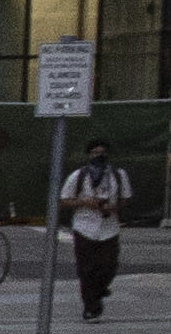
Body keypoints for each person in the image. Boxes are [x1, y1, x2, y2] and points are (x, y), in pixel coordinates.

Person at [56, 137, 133, 323]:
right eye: (95, 153)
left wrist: (112, 207)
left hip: (109, 227)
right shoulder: (78, 176)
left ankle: (99, 289)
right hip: (85, 226)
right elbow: (64, 200)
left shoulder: (117, 175)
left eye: (102, 153)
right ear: (89, 155)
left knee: (109, 266)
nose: (99, 156)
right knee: (87, 270)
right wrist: (84, 202)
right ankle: (91, 308)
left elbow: (126, 198)